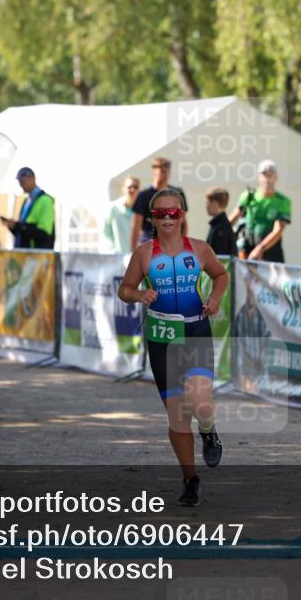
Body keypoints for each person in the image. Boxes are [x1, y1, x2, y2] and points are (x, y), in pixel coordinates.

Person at [117, 187, 229, 507]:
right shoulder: (143, 255)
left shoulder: (199, 249)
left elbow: (221, 276)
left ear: (182, 215)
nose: (167, 218)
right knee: (178, 416)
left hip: (194, 328)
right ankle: (190, 479)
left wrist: (215, 299)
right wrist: (139, 295)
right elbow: (124, 289)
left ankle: (208, 431)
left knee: (200, 401)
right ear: (152, 218)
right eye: (161, 213)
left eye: (173, 212)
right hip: (162, 336)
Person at [228, 159, 291, 262]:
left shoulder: (283, 201)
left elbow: (278, 231)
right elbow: (231, 219)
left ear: (276, 177)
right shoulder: (248, 195)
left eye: (271, 175)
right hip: (247, 249)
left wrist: (260, 249)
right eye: (265, 174)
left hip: (271, 253)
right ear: (259, 177)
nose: (267, 178)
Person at [131, 157, 187, 249]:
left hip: (173, 244)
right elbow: (136, 227)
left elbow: (184, 222)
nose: (163, 175)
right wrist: (133, 252)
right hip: (150, 243)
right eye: (161, 171)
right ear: (154, 172)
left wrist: (183, 245)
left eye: (165, 171)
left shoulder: (178, 193)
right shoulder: (143, 195)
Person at [0, 167, 56, 250]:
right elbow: (23, 233)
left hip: (37, 256)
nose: (21, 185)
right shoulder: (27, 201)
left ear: (32, 178)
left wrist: (19, 227)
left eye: (23, 181)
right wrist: (14, 227)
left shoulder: (45, 200)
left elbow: (44, 234)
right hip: (25, 255)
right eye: (19, 182)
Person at [102, 176, 139, 253]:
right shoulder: (113, 209)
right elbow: (106, 234)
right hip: (118, 259)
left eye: (135, 187)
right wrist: (113, 251)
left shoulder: (142, 212)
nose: (132, 190)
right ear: (124, 189)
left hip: (137, 260)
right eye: (129, 187)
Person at [205, 186, 236, 257]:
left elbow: (219, 257)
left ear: (214, 203)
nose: (206, 206)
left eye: (207, 203)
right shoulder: (220, 225)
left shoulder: (220, 229)